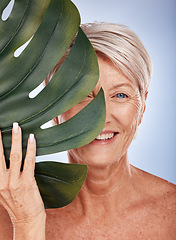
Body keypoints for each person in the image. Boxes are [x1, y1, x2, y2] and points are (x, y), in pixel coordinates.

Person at [0, 22, 176, 240]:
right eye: (82, 94)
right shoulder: (8, 217)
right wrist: (27, 223)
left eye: (120, 95)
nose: (101, 116)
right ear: (54, 107)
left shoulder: (172, 212)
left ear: (143, 107)